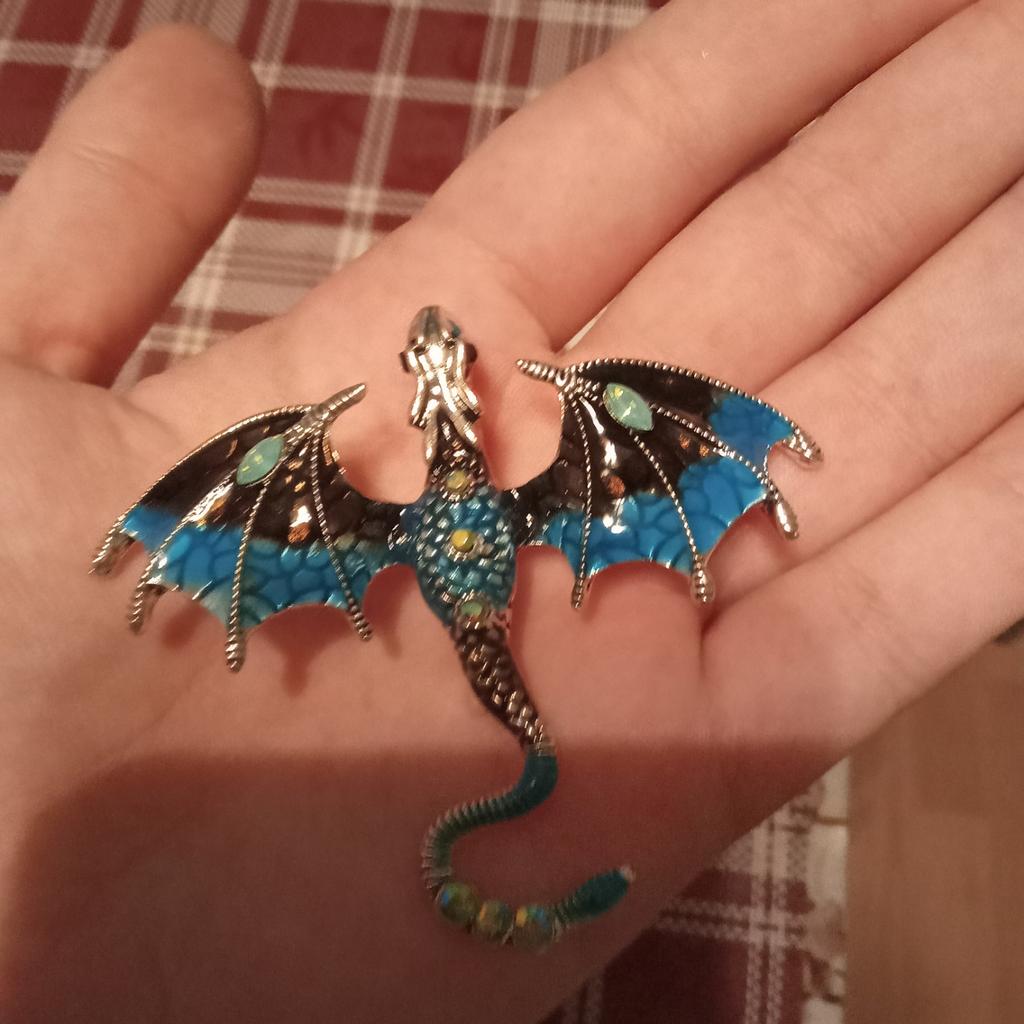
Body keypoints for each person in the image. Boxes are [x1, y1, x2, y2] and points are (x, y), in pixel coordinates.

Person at [1, 6, 1021, 1021]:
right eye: (436, 368)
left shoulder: (544, 455)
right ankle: (481, 859)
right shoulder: (327, 479)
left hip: (475, 548)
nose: (445, 378)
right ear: (428, 384)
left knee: (552, 686)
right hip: (451, 563)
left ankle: (509, 821)